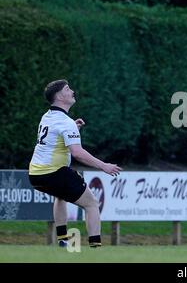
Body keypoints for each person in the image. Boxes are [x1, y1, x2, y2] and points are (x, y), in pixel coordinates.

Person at [28, 79, 122, 248]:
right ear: (59, 96)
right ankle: (96, 247)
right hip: (54, 173)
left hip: (35, 175)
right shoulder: (66, 122)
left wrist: (73, 130)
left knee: (61, 196)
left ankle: (63, 240)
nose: (72, 91)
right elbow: (78, 153)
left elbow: (52, 139)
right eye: (67, 89)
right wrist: (104, 166)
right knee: (92, 204)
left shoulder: (47, 116)